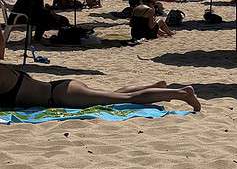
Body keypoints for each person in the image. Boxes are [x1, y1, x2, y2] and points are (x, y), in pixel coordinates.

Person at [0, 51, 200, 112]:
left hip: (61, 96)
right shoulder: (4, 69)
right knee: (115, 94)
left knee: (125, 98)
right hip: (60, 87)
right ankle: (154, 87)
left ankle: (181, 93)